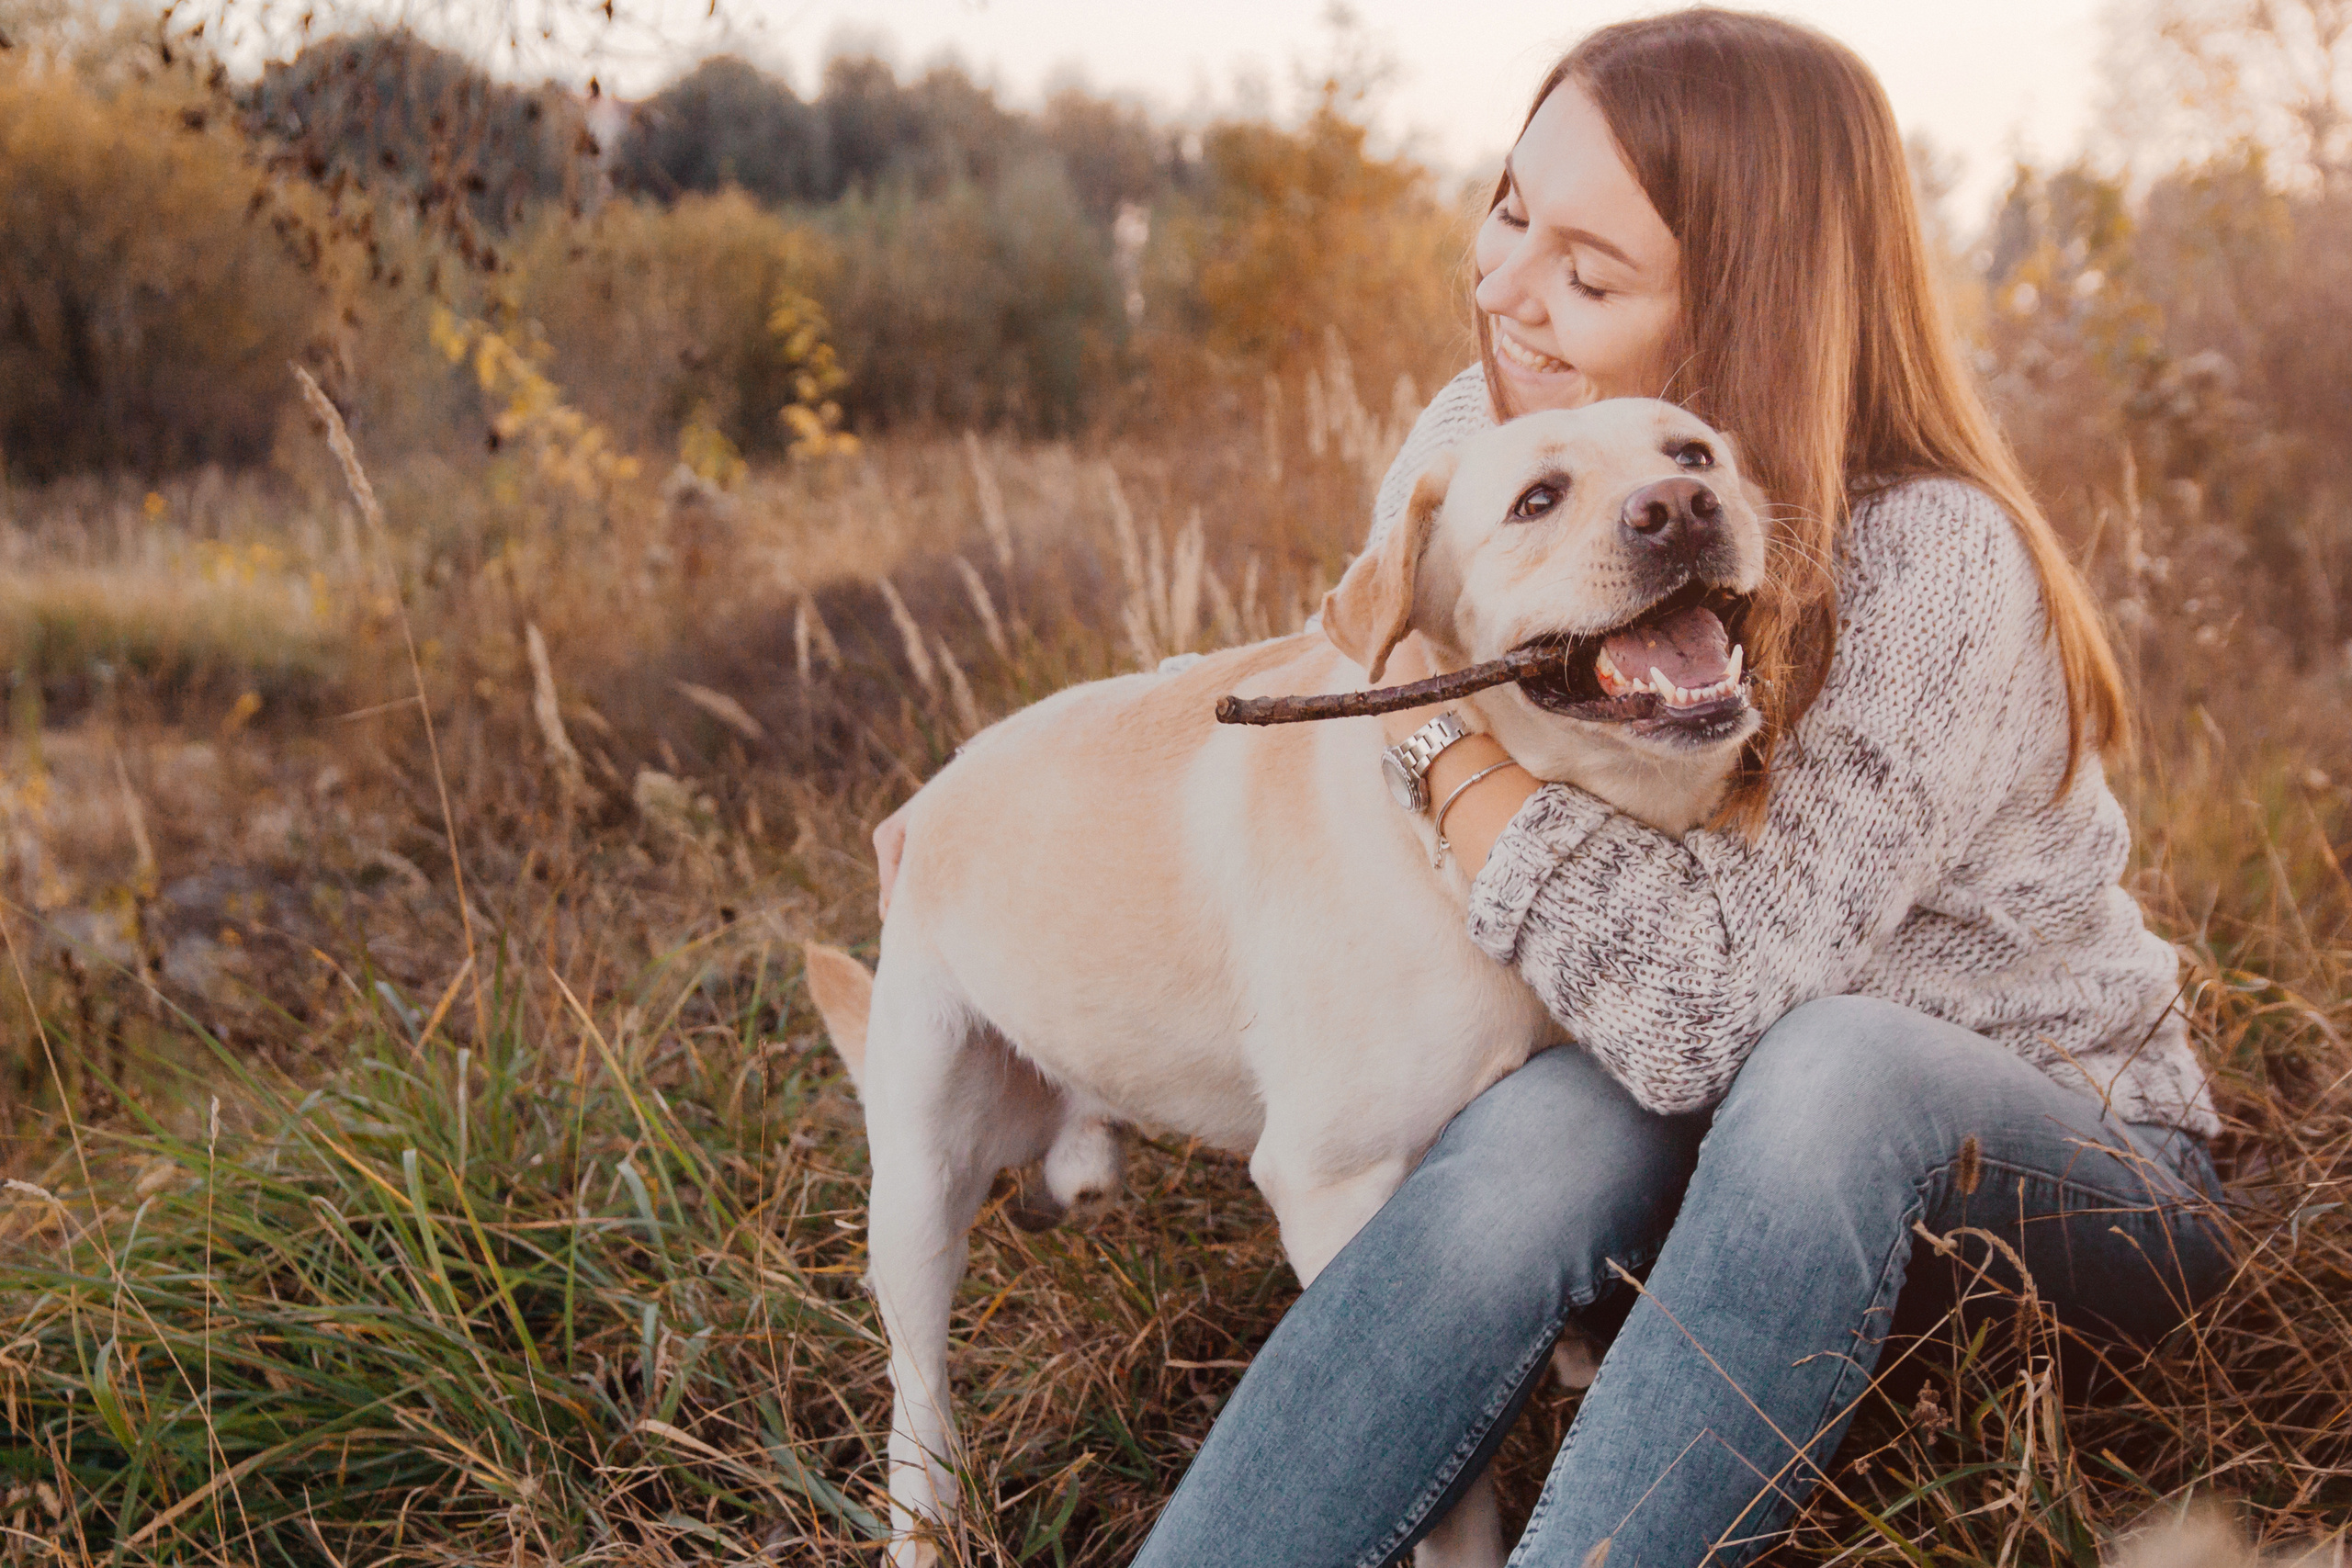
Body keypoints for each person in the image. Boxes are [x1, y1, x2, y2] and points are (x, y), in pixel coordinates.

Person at [876, 11, 2231, 1564]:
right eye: (1509, 211)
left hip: (2067, 1178)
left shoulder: (1929, 562)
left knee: (1833, 1065)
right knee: (1533, 1128)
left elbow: (1714, 1013)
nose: (1506, 287)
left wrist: (1437, 748)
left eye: (1587, 274)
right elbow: (1361, 647)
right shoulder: (1485, 445)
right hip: (1733, 1168)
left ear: (1750, 310)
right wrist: (1013, 798)